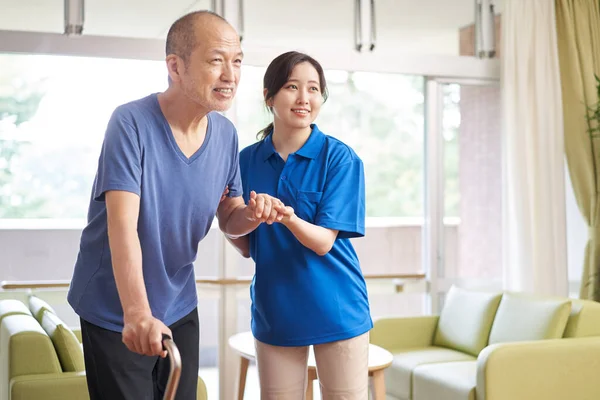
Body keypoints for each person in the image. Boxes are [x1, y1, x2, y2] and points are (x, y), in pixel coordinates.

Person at [67, 11, 285, 400]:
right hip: (116, 308)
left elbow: (229, 217)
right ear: (175, 66)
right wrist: (136, 313)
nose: (231, 75)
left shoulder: (225, 135)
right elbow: (122, 226)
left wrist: (251, 215)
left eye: (237, 61)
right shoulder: (130, 123)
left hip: (179, 302)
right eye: (216, 60)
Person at [228, 51, 372, 399]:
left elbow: (324, 242)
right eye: (292, 87)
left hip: (337, 307)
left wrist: (288, 218)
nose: (304, 98)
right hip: (275, 308)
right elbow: (244, 242)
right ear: (269, 95)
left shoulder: (339, 158)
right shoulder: (245, 161)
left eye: (313, 88)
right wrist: (246, 218)